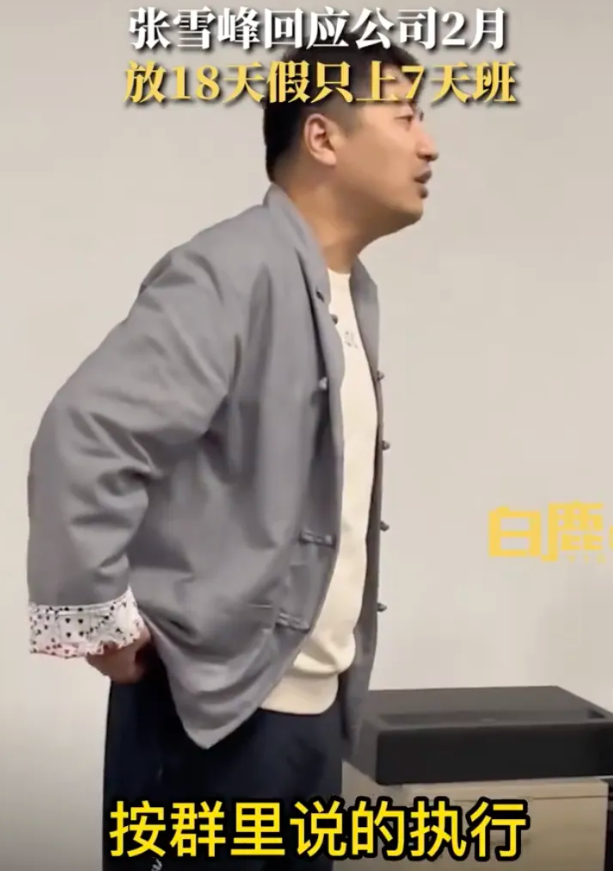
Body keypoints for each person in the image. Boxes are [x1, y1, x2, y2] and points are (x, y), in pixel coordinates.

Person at [26, 39, 438, 871]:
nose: (428, 146)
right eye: (404, 119)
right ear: (322, 137)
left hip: (305, 715)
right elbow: (85, 433)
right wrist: (96, 621)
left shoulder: (347, 290)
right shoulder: (232, 268)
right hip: (213, 718)